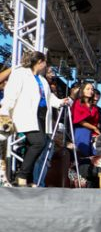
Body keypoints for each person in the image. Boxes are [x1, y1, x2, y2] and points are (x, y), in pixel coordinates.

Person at [0, 52, 70, 186]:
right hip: (26, 114)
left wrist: (61, 101)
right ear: (39, 62)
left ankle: (24, 177)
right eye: (45, 63)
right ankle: (22, 176)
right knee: (39, 142)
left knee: (39, 144)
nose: (46, 66)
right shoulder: (20, 74)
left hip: (42, 115)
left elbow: (48, 98)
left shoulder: (42, 79)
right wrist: (4, 111)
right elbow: (11, 94)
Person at [71, 81, 101, 160]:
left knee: (94, 154)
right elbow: (78, 120)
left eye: (92, 89)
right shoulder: (77, 103)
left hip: (92, 133)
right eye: (88, 89)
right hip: (81, 131)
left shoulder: (94, 107)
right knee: (82, 154)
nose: (90, 91)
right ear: (82, 90)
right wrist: (94, 128)